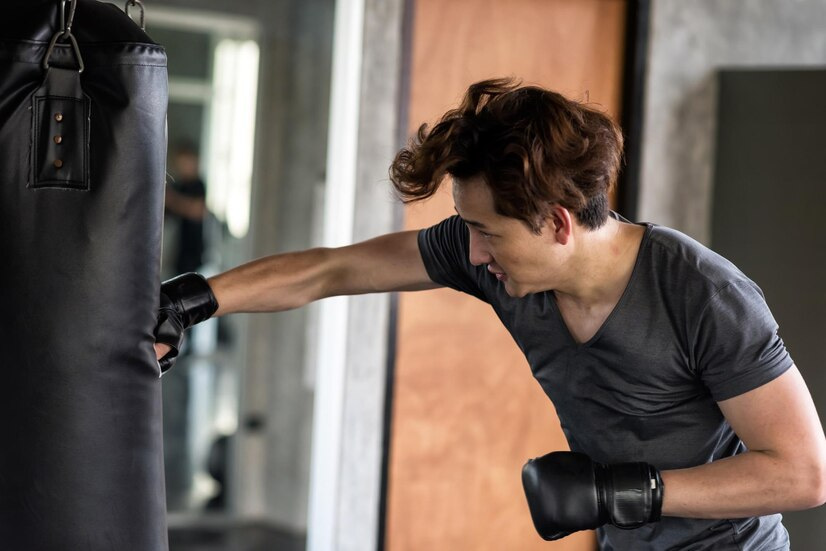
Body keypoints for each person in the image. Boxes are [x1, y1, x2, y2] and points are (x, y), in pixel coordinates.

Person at [153, 78, 826, 549]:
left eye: (488, 231)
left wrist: (623, 492)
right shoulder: (492, 258)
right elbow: (333, 269)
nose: (471, 252)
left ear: (557, 223)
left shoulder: (703, 293)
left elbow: (802, 471)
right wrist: (188, 301)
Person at [165, 142, 208, 275]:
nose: (183, 167)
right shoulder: (179, 186)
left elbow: (198, 211)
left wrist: (172, 200)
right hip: (180, 250)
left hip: (194, 250)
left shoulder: (198, 185)